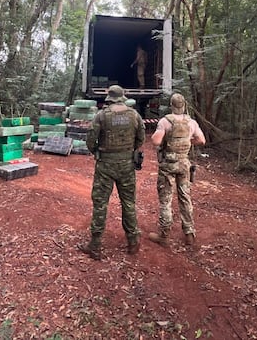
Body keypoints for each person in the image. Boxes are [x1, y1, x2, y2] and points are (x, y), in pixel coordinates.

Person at [78, 84, 145, 260]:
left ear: (110, 97)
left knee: (100, 204)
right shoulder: (134, 115)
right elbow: (141, 139)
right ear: (122, 97)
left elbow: (91, 141)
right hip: (127, 165)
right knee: (128, 203)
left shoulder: (101, 116)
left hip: (105, 165)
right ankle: (133, 241)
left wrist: (99, 152)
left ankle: (95, 246)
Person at [148, 93, 205, 248]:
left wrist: (167, 139)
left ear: (171, 105)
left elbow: (156, 140)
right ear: (184, 105)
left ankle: (164, 234)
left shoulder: (165, 121)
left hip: (168, 165)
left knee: (166, 199)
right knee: (185, 197)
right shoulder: (191, 122)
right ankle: (189, 234)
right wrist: (187, 141)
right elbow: (201, 140)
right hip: (184, 164)